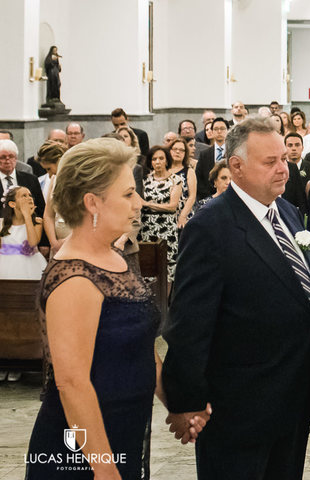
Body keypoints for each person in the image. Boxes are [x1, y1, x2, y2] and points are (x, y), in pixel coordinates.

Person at [26, 139, 201, 477]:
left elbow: (140, 349)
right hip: (80, 449)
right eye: (127, 194)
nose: (138, 203)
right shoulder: (74, 276)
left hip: (125, 427)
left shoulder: (113, 259)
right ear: (93, 203)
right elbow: (72, 383)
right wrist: (105, 470)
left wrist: (177, 406)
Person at [163, 117, 310, 479]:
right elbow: (190, 323)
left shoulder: (287, 212)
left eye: (284, 158)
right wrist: (186, 401)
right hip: (238, 410)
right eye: (271, 162)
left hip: (292, 404)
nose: (284, 169)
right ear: (236, 166)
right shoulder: (211, 227)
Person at [141, 145, 183, 279]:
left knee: (168, 269)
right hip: (147, 227)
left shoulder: (176, 180)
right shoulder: (145, 179)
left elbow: (172, 206)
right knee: (148, 267)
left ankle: (165, 300)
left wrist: (148, 204)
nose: (157, 162)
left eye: (161, 158)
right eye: (154, 159)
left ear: (167, 160)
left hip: (167, 227)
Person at [0, 186, 47, 280]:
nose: (29, 198)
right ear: (12, 204)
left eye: (30, 195)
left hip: (32, 265)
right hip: (6, 265)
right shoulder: (1, 223)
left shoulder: (37, 222)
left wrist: (27, 216)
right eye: (24, 196)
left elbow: (32, 243)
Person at [194, 117, 229, 199]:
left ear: (228, 131)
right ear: (212, 132)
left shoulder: (234, 152)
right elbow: (199, 178)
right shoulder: (204, 154)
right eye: (216, 129)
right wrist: (211, 197)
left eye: (222, 129)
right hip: (209, 198)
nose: (219, 131)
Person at [168, 138, 199, 226]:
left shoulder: (189, 171)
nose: (178, 152)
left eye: (182, 150)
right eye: (175, 149)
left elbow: (192, 196)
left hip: (184, 215)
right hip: (166, 215)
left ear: (185, 154)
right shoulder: (164, 170)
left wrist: (182, 216)